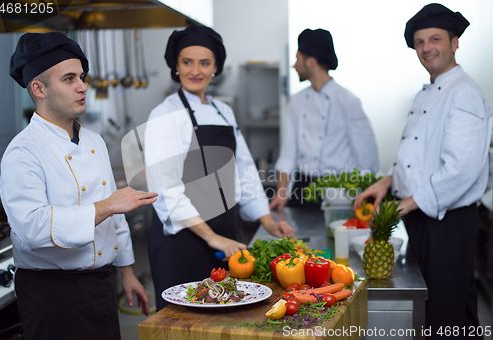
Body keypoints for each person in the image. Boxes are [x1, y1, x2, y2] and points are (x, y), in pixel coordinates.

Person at [0, 32, 158, 340]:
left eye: (82, 77)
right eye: (69, 79)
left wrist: (126, 272)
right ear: (38, 88)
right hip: (52, 294)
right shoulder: (23, 152)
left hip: (100, 285)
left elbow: (116, 216)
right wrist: (109, 205)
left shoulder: (93, 140)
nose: (83, 86)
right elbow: (32, 228)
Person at [354, 4, 492, 338]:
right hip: (425, 216)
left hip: (447, 222)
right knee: (454, 306)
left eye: (435, 39)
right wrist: (387, 182)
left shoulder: (464, 94)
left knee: (442, 311)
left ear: (455, 42)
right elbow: (417, 153)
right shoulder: (426, 91)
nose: (427, 48)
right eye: (419, 42)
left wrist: (407, 204)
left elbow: (462, 170)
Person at [144, 25, 295, 310]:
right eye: (187, 62)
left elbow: (245, 170)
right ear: (175, 66)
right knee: (184, 323)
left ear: (216, 68)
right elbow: (166, 190)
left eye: (205, 63)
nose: (195, 70)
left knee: (224, 318)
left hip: (225, 234)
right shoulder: (165, 115)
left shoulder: (223, 111)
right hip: (183, 242)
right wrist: (212, 238)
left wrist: (267, 220)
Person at [270, 28, 379, 210]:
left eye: (298, 59)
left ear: (311, 62)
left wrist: (364, 194)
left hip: (339, 189)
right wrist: (281, 192)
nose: (294, 65)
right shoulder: (296, 101)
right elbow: (289, 152)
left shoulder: (347, 101)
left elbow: (366, 157)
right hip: (303, 187)